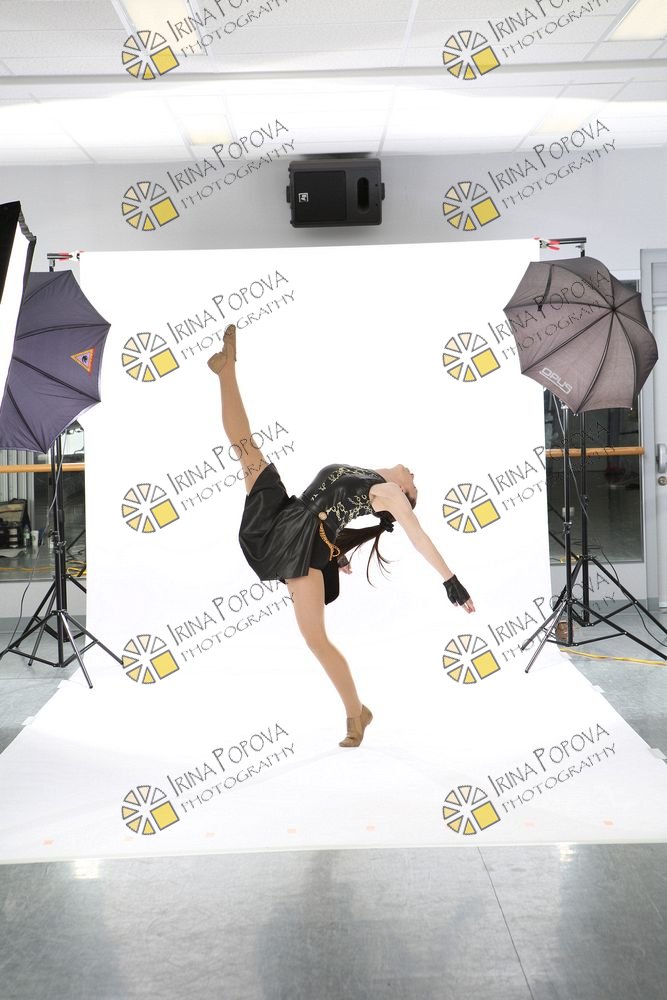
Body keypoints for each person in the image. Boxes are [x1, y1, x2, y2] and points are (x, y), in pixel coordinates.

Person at [208, 325, 475, 749]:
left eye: (415, 486)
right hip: (288, 512)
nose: (414, 476)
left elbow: (419, 536)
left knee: (314, 638)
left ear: (403, 493)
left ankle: (356, 713)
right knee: (246, 448)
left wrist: (450, 580)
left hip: (302, 547)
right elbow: (337, 509)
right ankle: (227, 371)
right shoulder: (366, 474)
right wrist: (339, 550)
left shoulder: (387, 494)